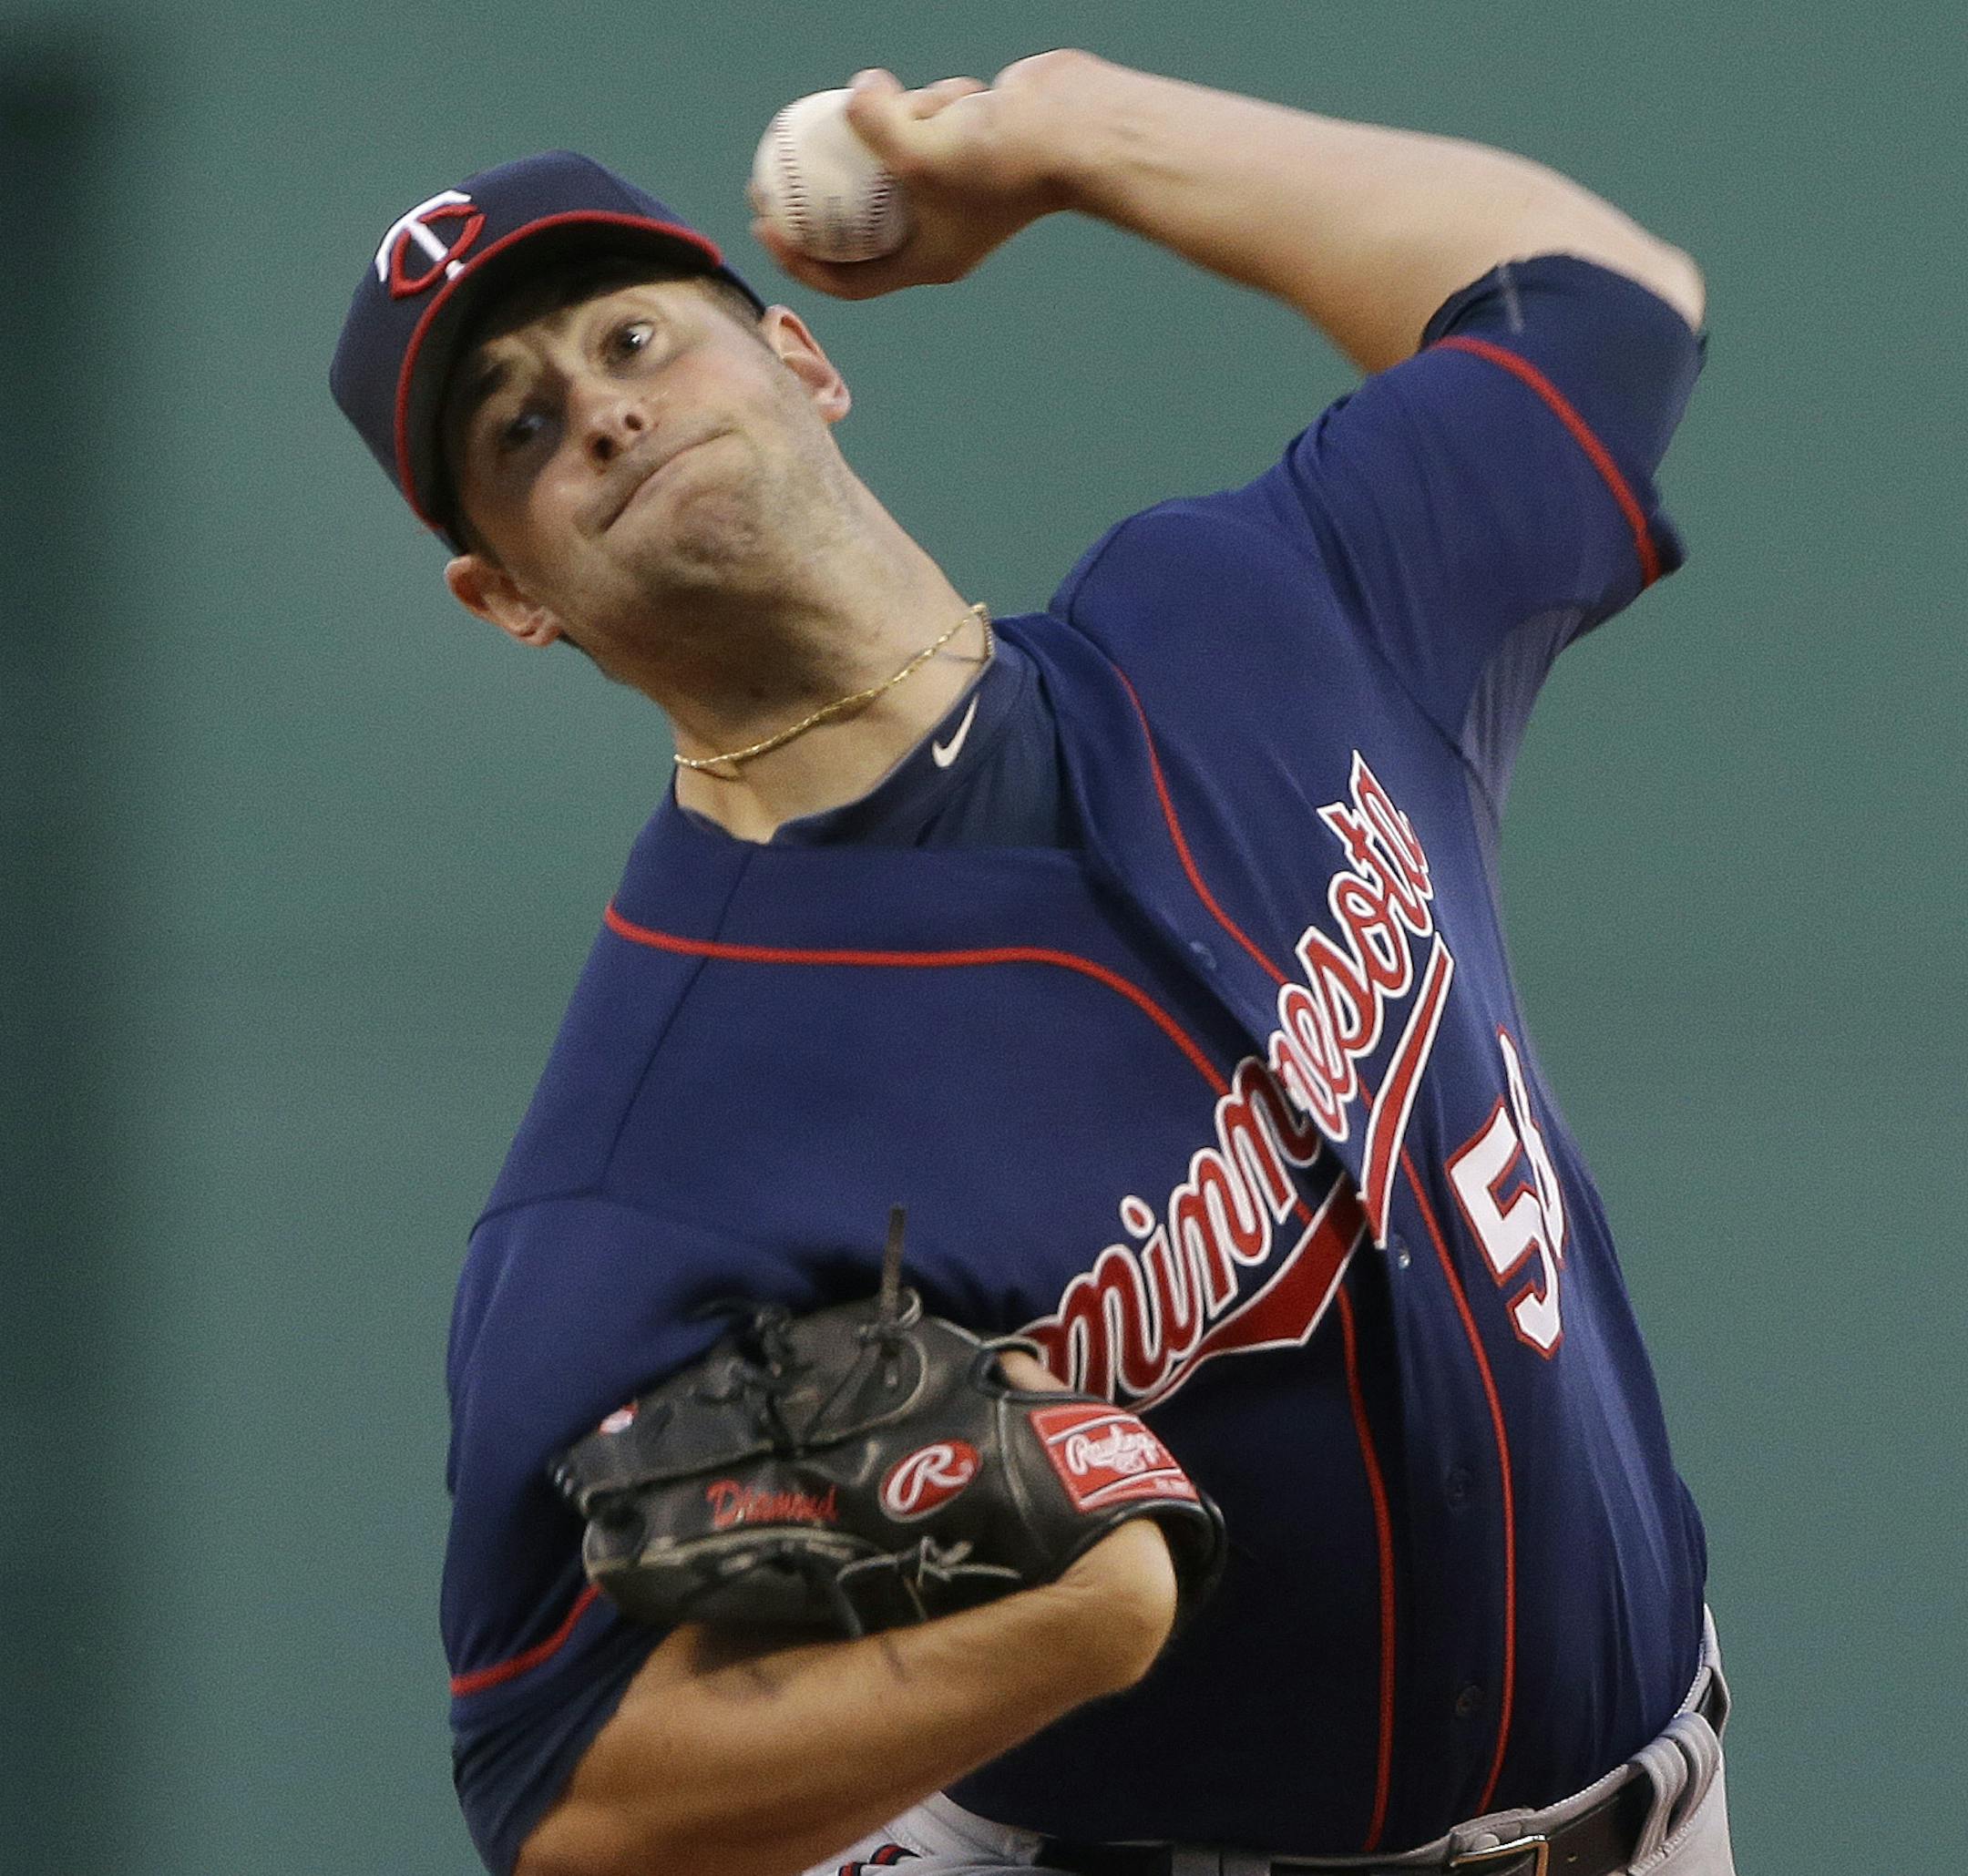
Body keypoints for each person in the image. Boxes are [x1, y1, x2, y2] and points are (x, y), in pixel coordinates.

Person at [331, 51, 1732, 1876]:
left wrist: (1077, 136)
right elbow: (550, 1788)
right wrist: (1064, 1631)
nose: (597, 413)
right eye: (513, 429)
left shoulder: (1253, 611)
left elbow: (1603, 307)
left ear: (802, 356)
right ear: (507, 594)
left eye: (631, 342)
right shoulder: (649, 1149)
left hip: (1675, 1801)